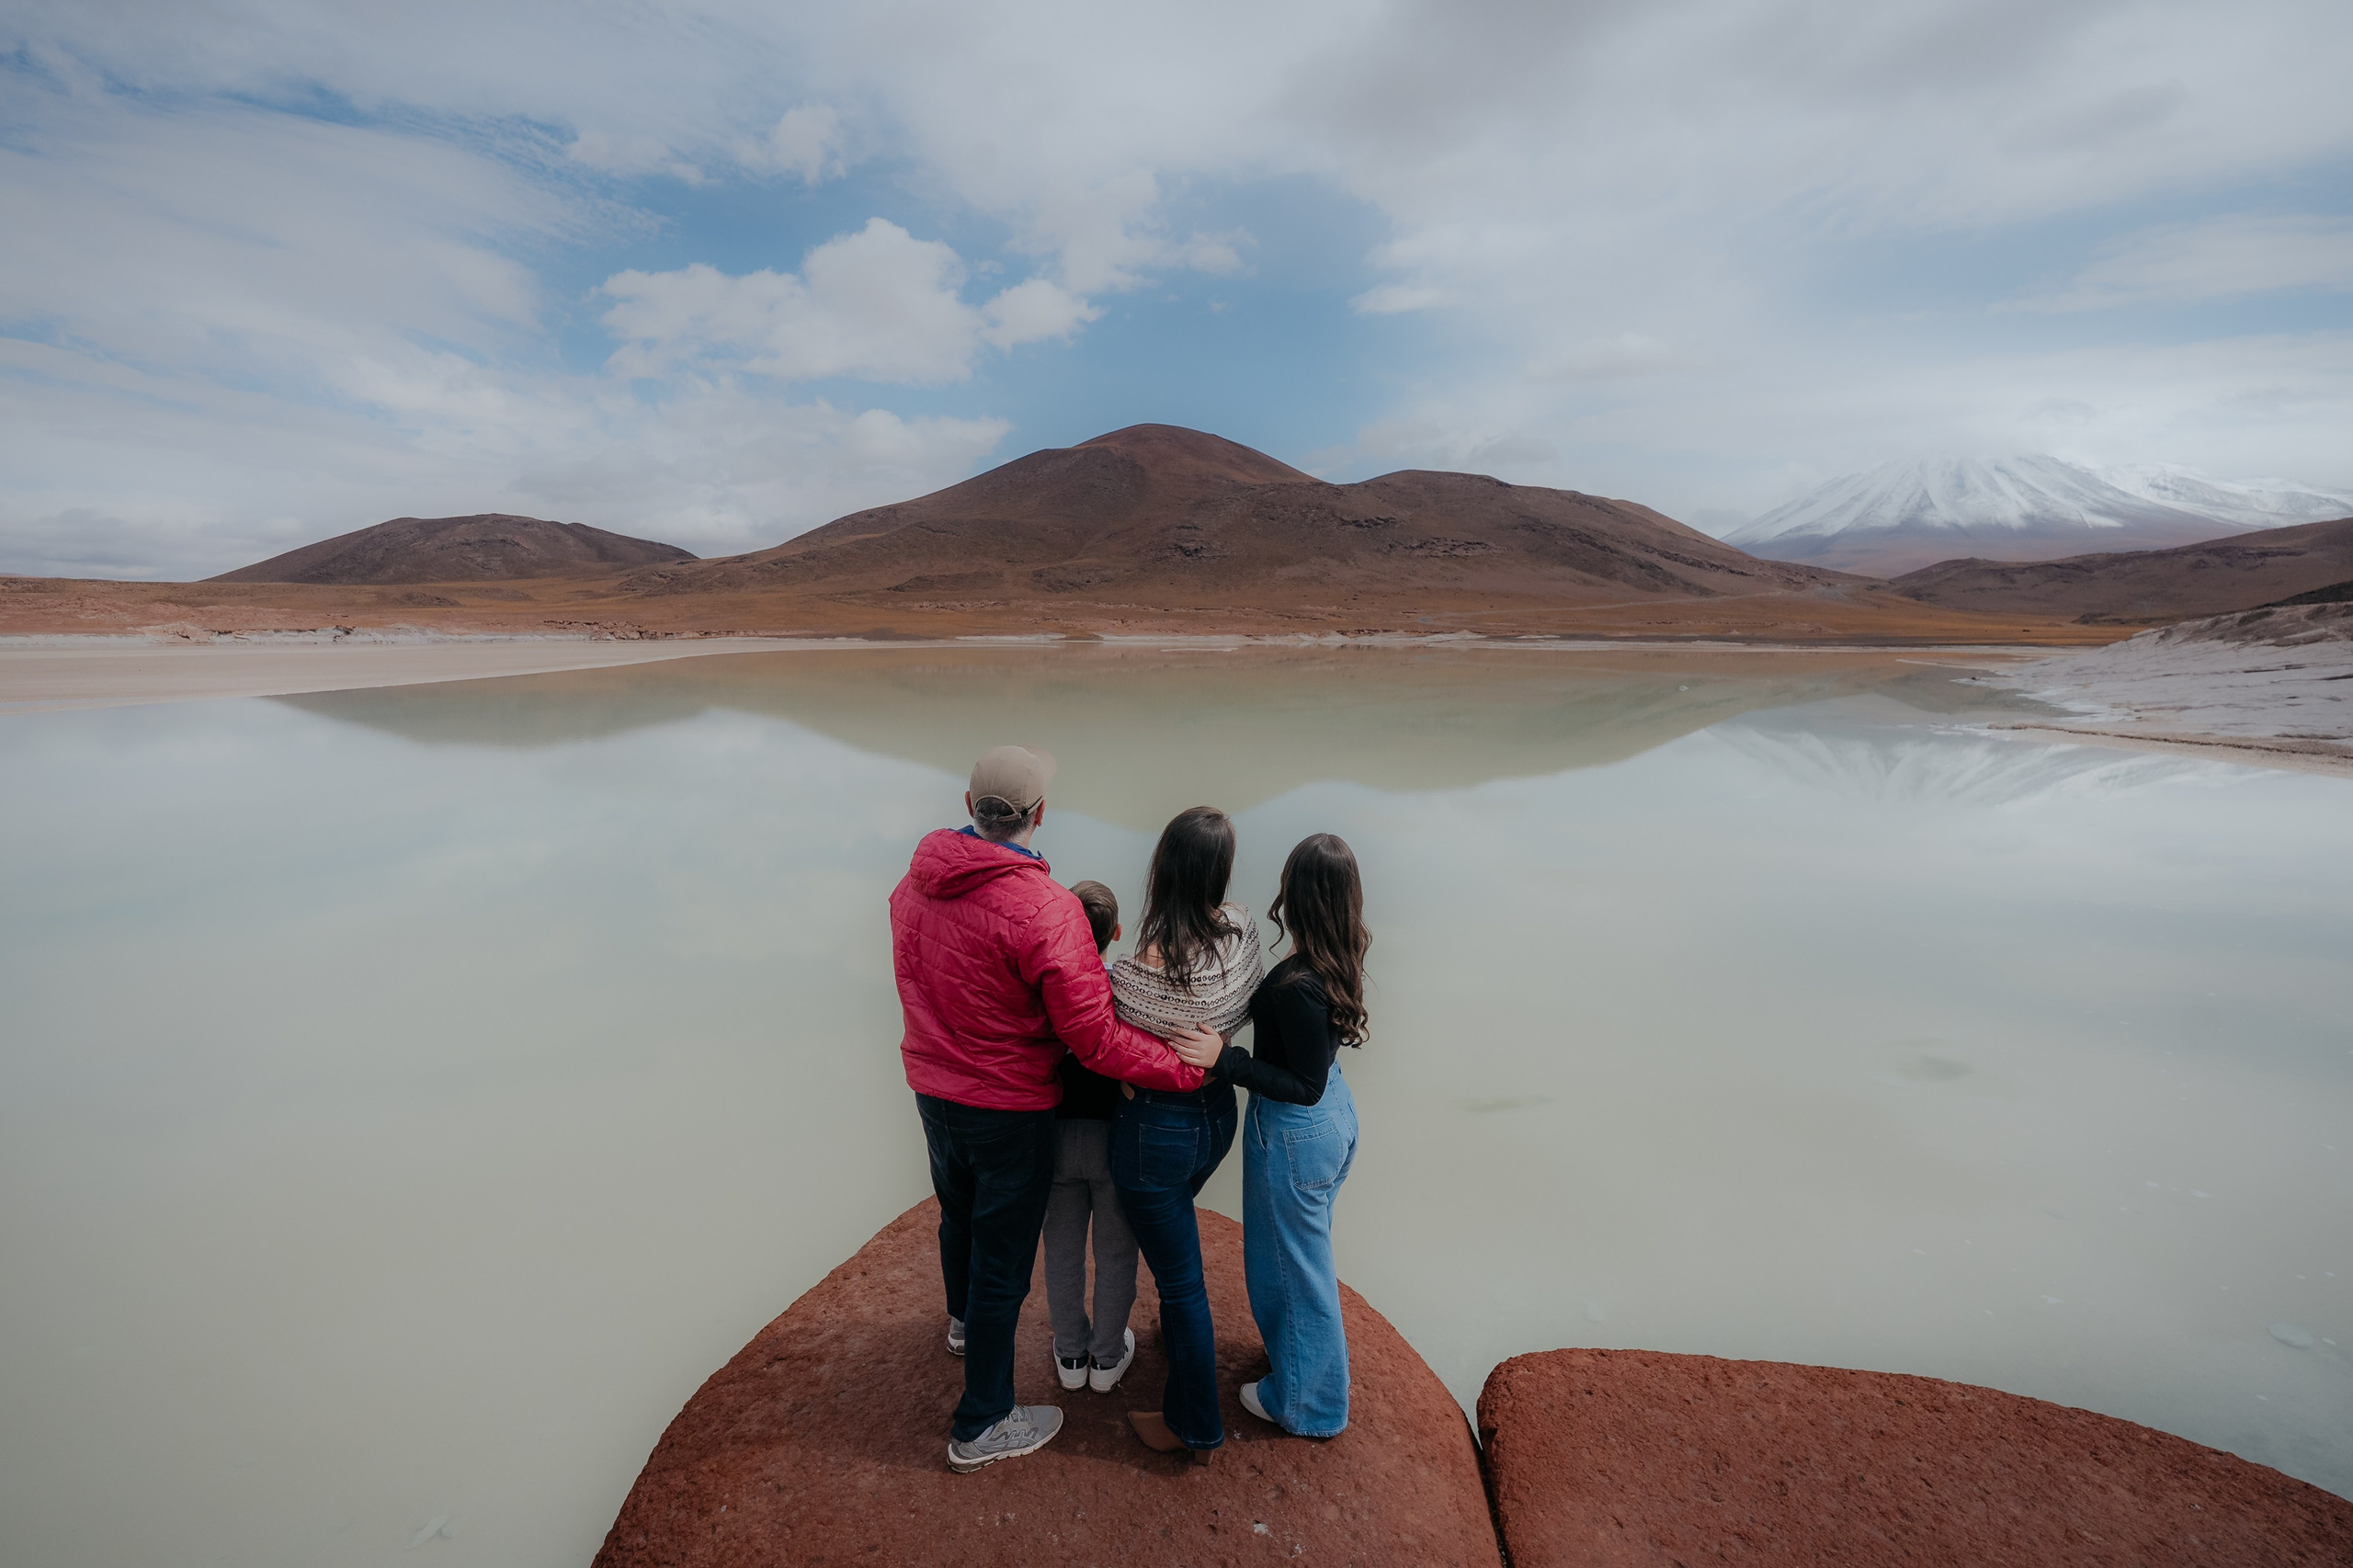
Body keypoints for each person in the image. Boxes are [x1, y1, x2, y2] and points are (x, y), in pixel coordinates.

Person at [890, 745, 1222, 1474]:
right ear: (1040, 814)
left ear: (968, 806)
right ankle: (982, 1423)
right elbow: (1094, 1038)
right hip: (1007, 1106)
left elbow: (920, 981)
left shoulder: (912, 886)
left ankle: (961, 1326)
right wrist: (1182, 1069)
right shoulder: (1046, 910)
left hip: (934, 1091)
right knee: (1005, 1266)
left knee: (958, 1211)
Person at [1172, 833, 1369, 1438]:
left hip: (1296, 1129)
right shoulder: (1338, 956)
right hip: (1334, 1118)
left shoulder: (1299, 984)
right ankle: (1302, 1367)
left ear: (1295, 894)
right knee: (1303, 1260)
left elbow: (1301, 1084)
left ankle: (1310, 1407)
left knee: (1293, 1271)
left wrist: (1224, 1059)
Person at [1108, 806, 1266, 1460]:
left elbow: (1104, 1036)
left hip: (1154, 1131)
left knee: (1182, 1282)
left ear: (1164, 869)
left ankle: (1194, 1426)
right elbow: (1244, 1004)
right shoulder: (1243, 933)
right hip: (1217, 1117)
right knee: (1179, 1257)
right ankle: (1179, 1342)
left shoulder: (1134, 975)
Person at [1040, 881, 1141, 1394]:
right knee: (1116, 1253)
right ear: (1115, 933)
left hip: (1057, 1136)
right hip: (1112, 1139)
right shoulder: (1124, 989)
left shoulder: (1048, 985)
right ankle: (1106, 1358)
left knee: (1062, 1252)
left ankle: (1070, 1353)